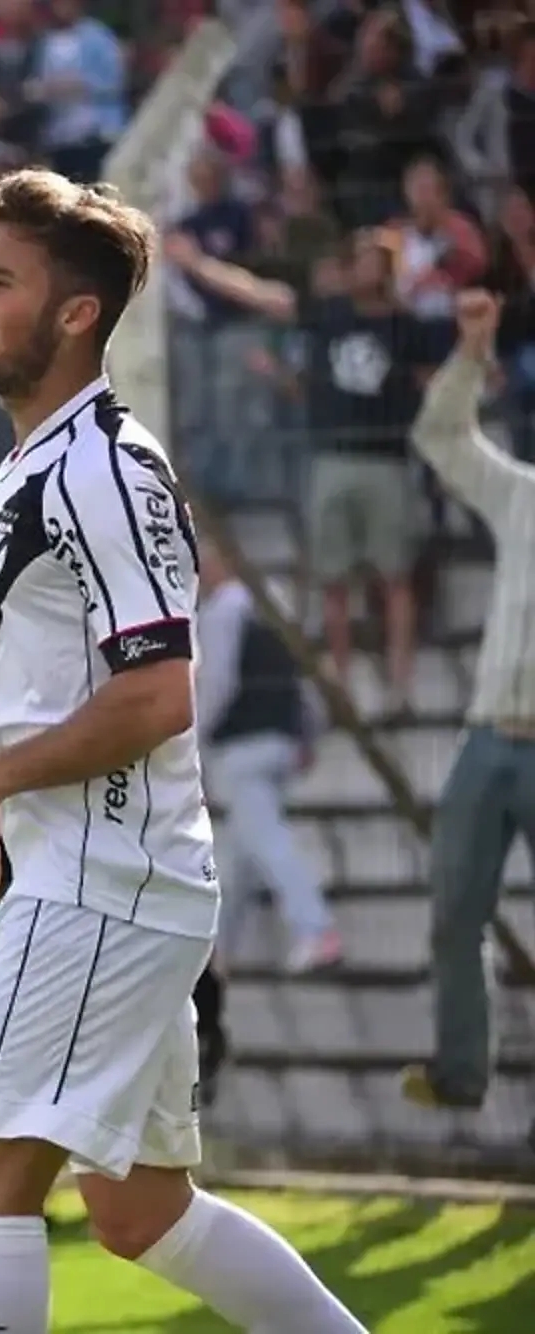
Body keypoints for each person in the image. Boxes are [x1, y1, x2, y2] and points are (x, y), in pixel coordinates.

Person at [0, 169, 364, 1334]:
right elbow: (41, 690)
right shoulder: (34, 463)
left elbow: (158, 692)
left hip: (102, 888)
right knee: (140, 1209)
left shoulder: (105, 471)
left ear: (75, 314)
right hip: (96, 878)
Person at [165, 227, 430, 717]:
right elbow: (263, 295)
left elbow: (436, 380)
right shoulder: (329, 315)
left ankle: (400, 685)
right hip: (333, 458)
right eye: (359, 258)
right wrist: (198, 264)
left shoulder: (405, 325)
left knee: (395, 578)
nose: (364, 268)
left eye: (374, 260)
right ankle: (341, 687)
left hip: (388, 459)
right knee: (333, 579)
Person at [399, 289, 535, 1130]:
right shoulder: (524, 496)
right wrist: (471, 352)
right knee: (453, 912)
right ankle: (460, 1074)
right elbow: (439, 437)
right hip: (490, 739)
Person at [193, 534, 338, 973]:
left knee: (269, 842)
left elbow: (218, 685)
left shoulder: (222, 612)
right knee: (243, 852)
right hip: (279, 741)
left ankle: (316, 930)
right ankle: (218, 952)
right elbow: (306, 675)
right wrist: (309, 733)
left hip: (241, 746)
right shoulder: (274, 606)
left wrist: (192, 743)